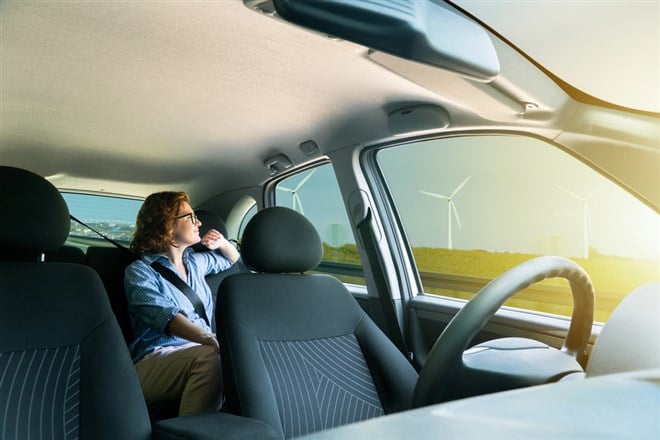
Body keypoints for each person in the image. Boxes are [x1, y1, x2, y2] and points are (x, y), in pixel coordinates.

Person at [124, 191, 240, 416]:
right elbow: (164, 316)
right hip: (155, 358)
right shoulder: (139, 272)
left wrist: (223, 243)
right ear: (167, 225)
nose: (199, 222)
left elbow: (232, 259)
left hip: (199, 351)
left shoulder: (196, 263)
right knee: (214, 356)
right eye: (190, 216)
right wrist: (209, 338)